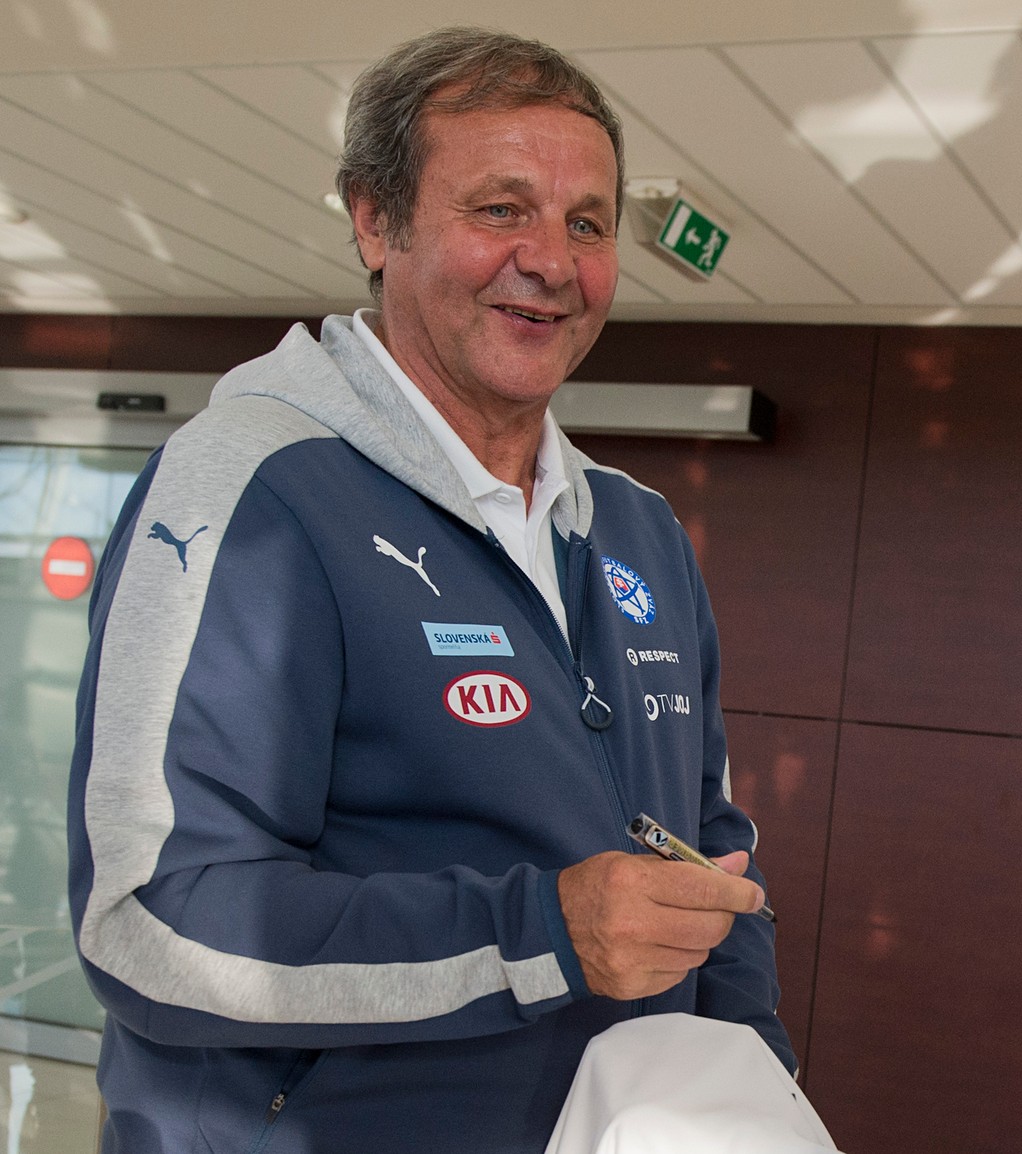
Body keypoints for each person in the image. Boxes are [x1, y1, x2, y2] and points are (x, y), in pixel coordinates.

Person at [68, 26, 796, 1154]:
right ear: (375, 220)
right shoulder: (253, 487)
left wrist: (756, 1086)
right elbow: (152, 922)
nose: (552, 261)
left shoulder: (639, 529)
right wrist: (544, 931)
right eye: (502, 209)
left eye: (588, 223)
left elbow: (711, 850)